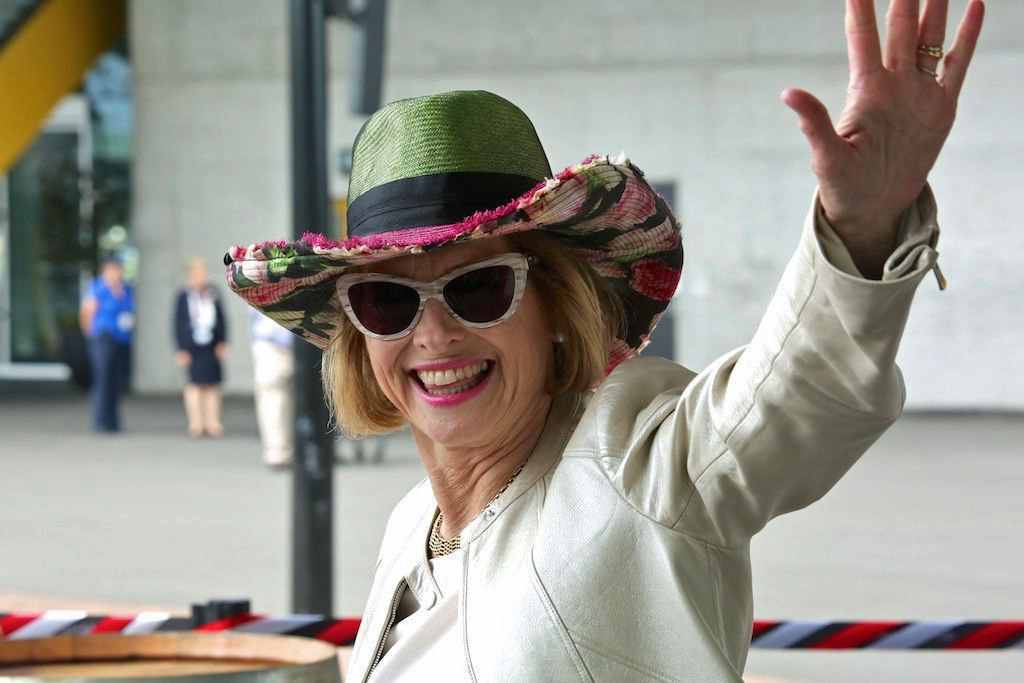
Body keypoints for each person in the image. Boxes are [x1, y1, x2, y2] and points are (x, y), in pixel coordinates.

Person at [224, 1, 984, 679]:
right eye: (387, 300)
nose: (435, 332)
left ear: (555, 306)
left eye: (479, 288)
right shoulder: (410, 525)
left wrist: (862, 229)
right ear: (359, 336)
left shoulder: (632, 467)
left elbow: (789, 402)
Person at [79, 256, 134, 433]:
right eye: (112, 269)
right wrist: (91, 335)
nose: (115, 273)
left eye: (118, 269)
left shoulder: (126, 288)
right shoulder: (97, 287)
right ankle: (100, 421)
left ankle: (113, 421)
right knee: (102, 380)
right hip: (103, 337)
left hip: (121, 338)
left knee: (116, 381)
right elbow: (87, 313)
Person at [174, 258, 228, 438]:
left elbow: (222, 320)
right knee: (194, 384)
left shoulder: (213, 293)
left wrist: (223, 342)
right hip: (191, 345)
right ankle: (196, 422)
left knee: (212, 384)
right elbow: (177, 323)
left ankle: (212, 422)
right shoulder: (183, 296)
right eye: (197, 275)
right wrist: (181, 348)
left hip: (211, 343)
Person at [250, 308, 294, 467]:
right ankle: (278, 450)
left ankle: (280, 451)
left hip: (279, 338)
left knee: (274, 397)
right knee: (273, 397)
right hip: (272, 343)